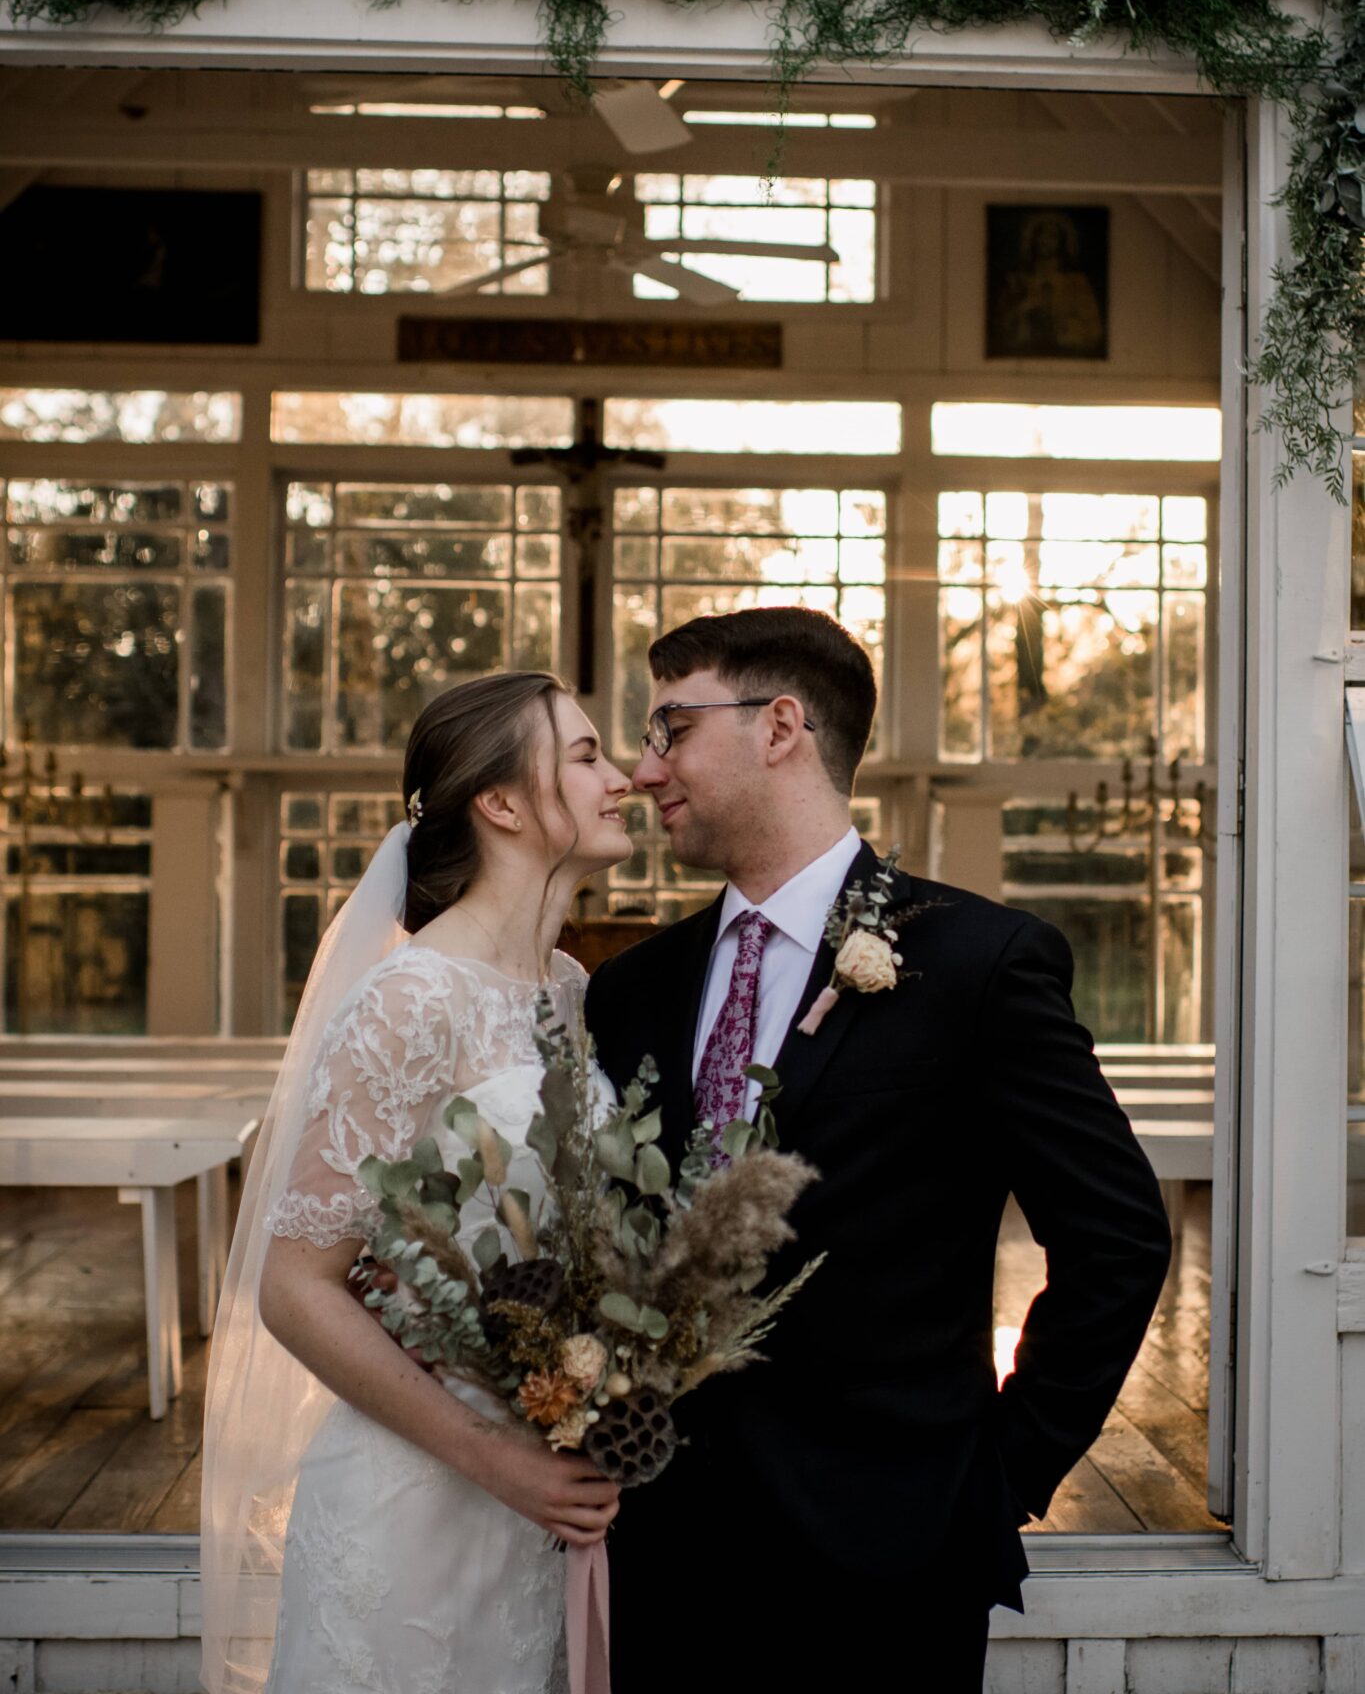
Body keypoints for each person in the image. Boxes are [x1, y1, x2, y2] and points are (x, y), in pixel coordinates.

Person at [586, 606, 1172, 1694]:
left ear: (781, 726)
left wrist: (995, 1476)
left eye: (670, 725)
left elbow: (1119, 1240)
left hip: (890, 1562)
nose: (643, 763)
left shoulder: (980, 962)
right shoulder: (631, 988)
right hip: (657, 1554)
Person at [200, 671, 633, 1694]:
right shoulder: (410, 998)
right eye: (585, 754)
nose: (622, 778)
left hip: (543, 1495)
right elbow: (294, 1285)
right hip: (420, 1498)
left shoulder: (566, 990)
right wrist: (498, 1458)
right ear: (503, 802)